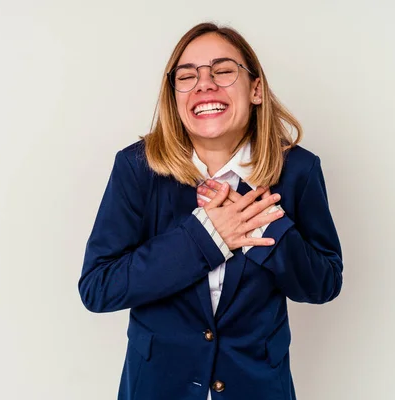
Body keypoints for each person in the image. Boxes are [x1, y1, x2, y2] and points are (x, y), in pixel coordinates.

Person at [79, 22, 343, 400]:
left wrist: (265, 233)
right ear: (174, 98)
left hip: (258, 389)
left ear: (255, 89)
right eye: (187, 76)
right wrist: (205, 238)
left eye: (222, 71)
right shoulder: (136, 168)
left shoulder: (299, 170)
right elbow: (98, 287)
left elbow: (323, 283)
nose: (204, 84)